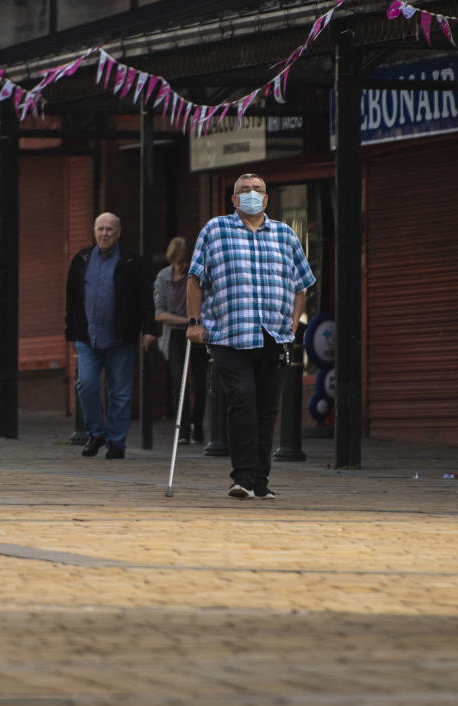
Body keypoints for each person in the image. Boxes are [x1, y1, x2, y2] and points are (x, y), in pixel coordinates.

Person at [187, 173, 315, 499]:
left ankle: (261, 482)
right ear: (233, 200)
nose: (251, 195)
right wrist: (194, 322)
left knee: (267, 408)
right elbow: (195, 279)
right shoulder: (215, 230)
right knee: (242, 398)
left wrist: (292, 324)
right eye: (244, 191)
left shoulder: (285, 235)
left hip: (274, 334)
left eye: (257, 190)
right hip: (228, 333)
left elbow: (302, 285)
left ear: (267, 199)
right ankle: (241, 477)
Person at [65, 212, 157, 459]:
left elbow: (145, 298)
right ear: (94, 231)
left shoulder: (131, 261)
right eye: (100, 229)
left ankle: (116, 443)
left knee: (121, 392)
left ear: (118, 233)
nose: (104, 233)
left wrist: (149, 329)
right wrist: (71, 331)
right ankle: (96, 433)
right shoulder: (81, 259)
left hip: (120, 338)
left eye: (109, 229)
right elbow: (72, 299)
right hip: (88, 337)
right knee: (86, 384)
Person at [154, 236, 207, 444]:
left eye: (185, 260)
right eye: (178, 261)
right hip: (176, 333)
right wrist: (186, 319)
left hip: (198, 332)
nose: (182, 265)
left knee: (201, 383)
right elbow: (159, 314)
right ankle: (183, 430)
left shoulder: (197, 274)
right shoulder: (163, 277)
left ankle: (197, 423)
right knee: (180, 381)